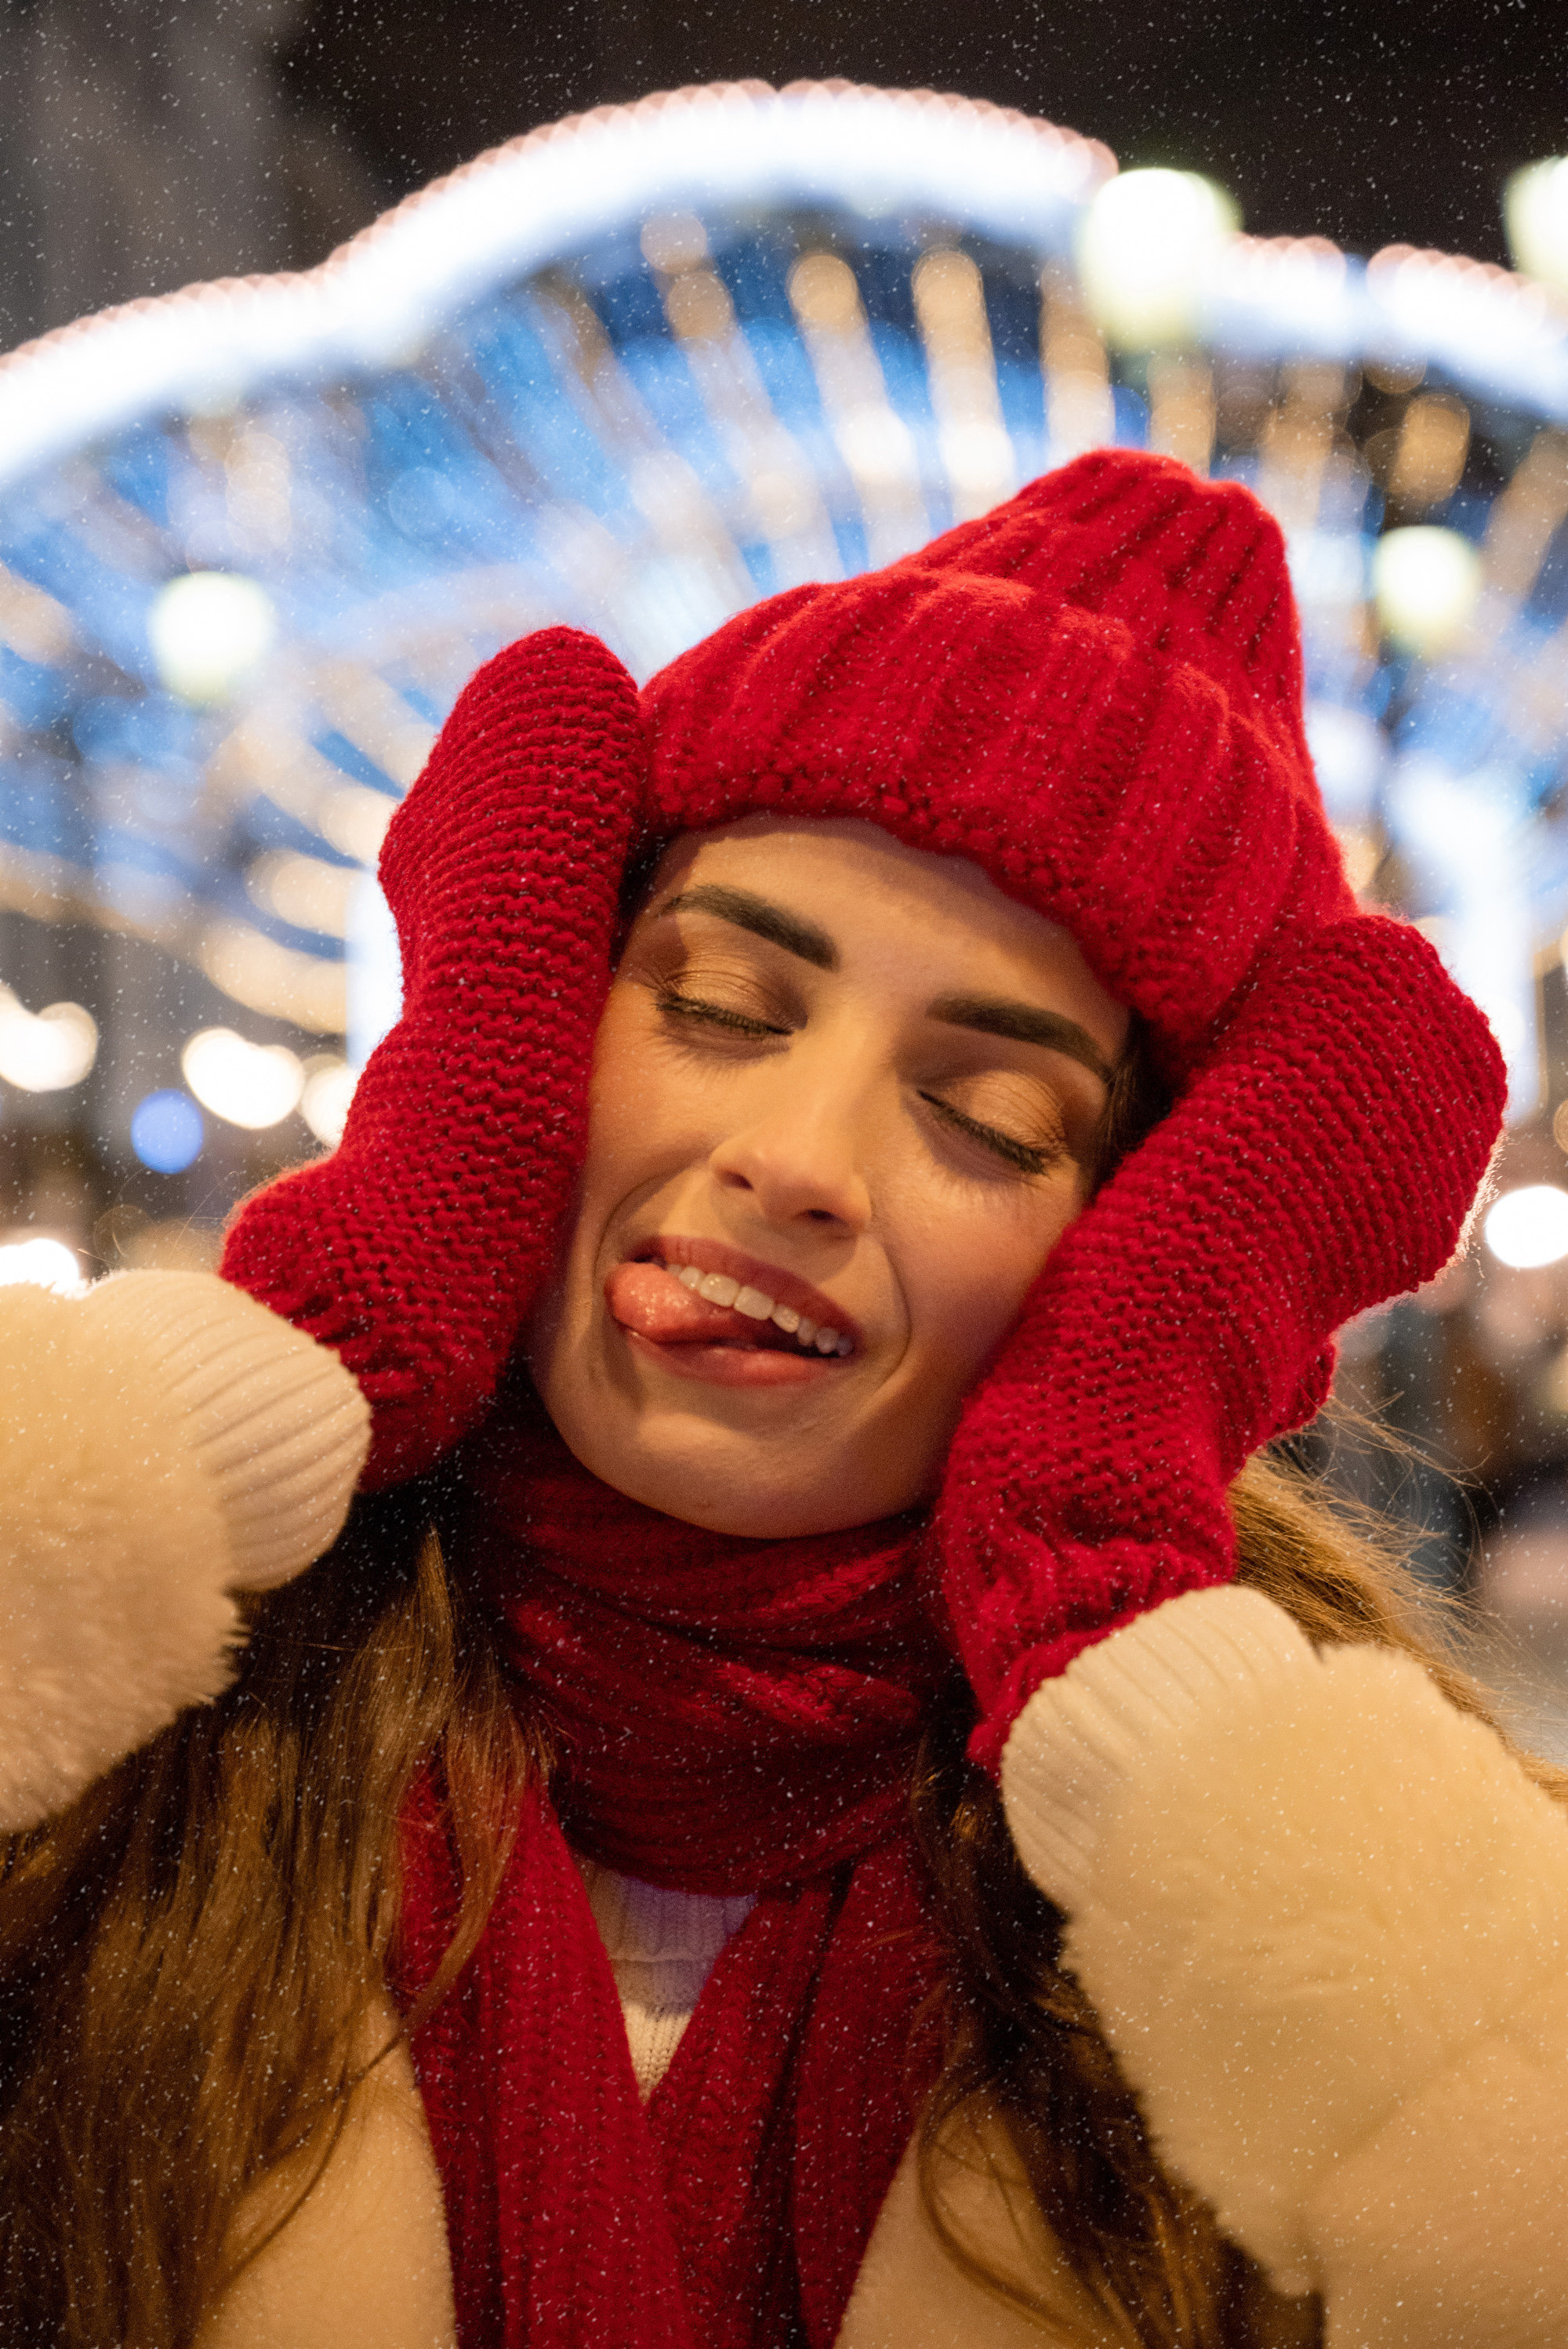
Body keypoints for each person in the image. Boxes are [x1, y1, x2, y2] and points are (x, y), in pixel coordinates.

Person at [5, 448, 1567, 2349]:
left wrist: (1119, 1630)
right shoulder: (146, 1725)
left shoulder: (1379, 1872)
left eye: (988, 1117)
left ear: (1146, 1230)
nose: (799, 1158)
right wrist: (323, 1328)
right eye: (723, 1004)